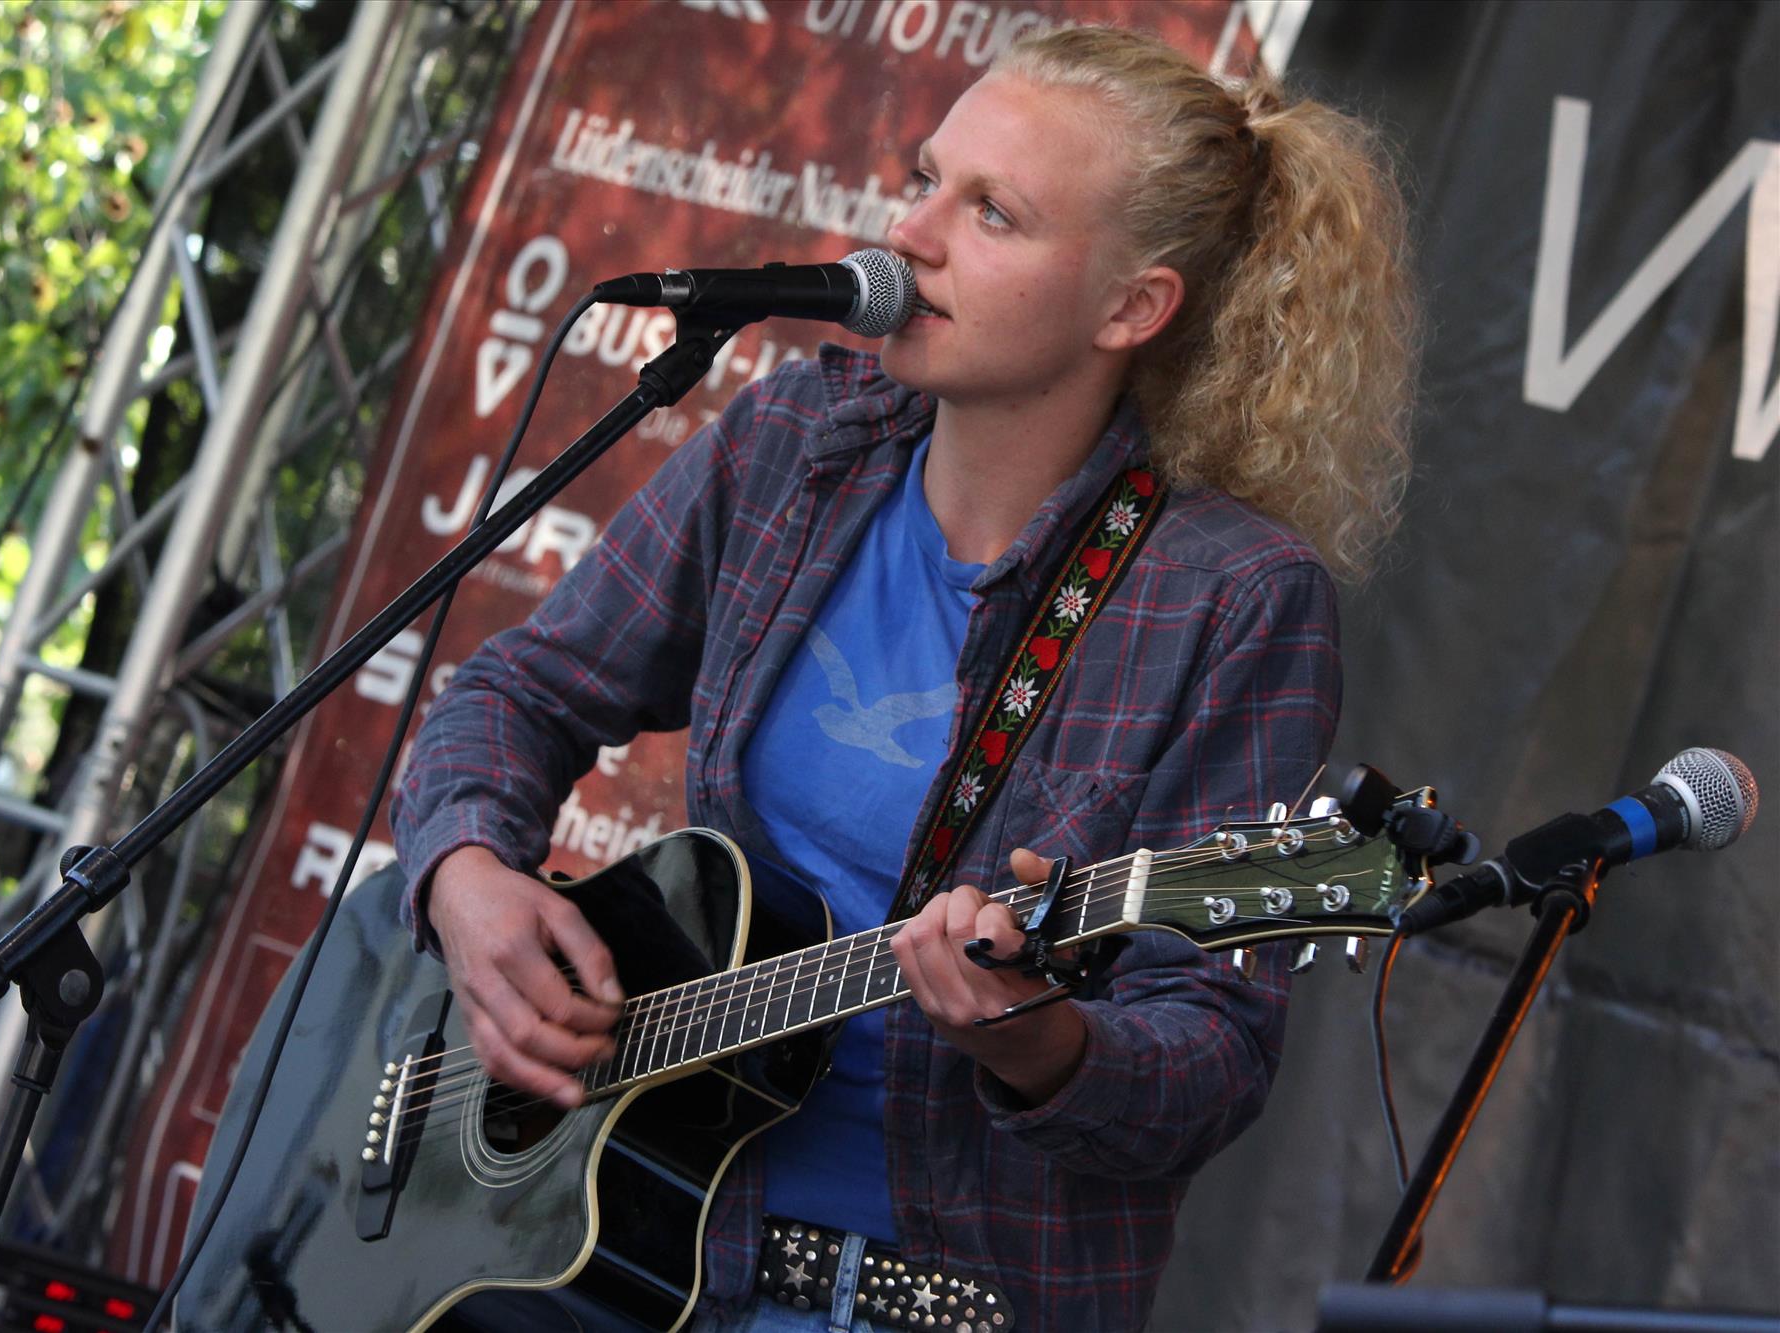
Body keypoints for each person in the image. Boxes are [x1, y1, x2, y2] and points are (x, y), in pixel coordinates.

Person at [390, 23, 1415, 1333]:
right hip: (626, 1251)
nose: (908, 234)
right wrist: (465, 873)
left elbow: (1212, 1053)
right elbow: (519, 692)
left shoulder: (1230, 595)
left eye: (991, 212)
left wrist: (1040, 1041)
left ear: (1130, 308)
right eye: (926, 176)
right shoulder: (797, 442)